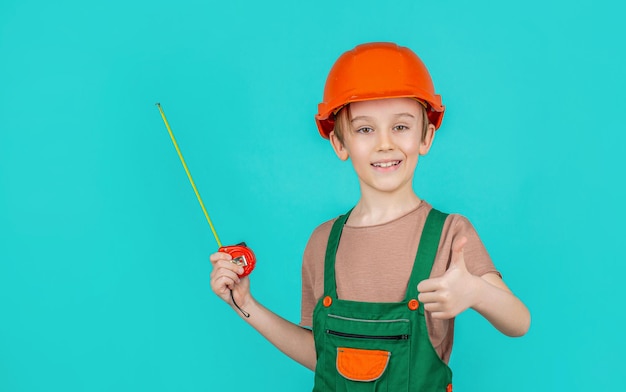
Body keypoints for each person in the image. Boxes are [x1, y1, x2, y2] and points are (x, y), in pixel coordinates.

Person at [210, 42, 530, 391]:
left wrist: (476, 292)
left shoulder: (449, 234)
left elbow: (519, 321)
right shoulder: (323, 243)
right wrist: (246, 305)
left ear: (426, 136)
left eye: (401, 127)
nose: (384, 144)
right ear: (340, 144)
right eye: (365, 129)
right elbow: (323, 358)